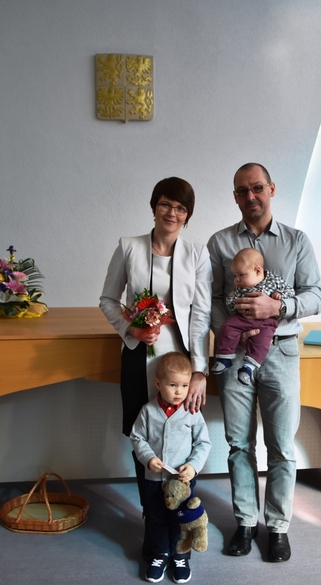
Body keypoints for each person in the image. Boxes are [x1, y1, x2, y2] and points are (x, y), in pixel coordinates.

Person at [207, 163, 321, 562]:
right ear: (235, 197)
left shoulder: (296, 241)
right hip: (236, 354)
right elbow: (212, 299)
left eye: (257, 188)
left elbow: (316, 295)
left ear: (271, 189)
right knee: (238, 444)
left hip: (282, 353)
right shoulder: (220, 243)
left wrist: (279, 307)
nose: (251, 196)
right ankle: (244, 522)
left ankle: (277, 526)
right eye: (242, 191)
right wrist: (233, 333)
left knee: (281, 446)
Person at [100, 176, 212, 559]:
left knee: (182, 438)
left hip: (180, 364)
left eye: (180, 208)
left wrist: (200, 371)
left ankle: (180, 520)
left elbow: (201, 314)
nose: (172, 213)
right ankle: (153, 522)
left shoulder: (197, 254)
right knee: (142, 437)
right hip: (138, 357)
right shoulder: (128, 247)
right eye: (165, 204)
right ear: (153, 207)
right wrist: (130, 329)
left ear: (187, 215)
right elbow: (107, 299)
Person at [131, 352, 211, 584]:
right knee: (156, 518)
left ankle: (180, 555)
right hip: (154, 480)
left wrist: (193, 466)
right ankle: (160, 554)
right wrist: (148, 458)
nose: (179, 391)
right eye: (173, 385)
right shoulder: (148, 411)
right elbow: (137, 438)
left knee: (181, 519)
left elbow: (203, 443)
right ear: (158, 384)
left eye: (184, 386)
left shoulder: (192, 412)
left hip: (182, 482)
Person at [212, 247, 295, 385]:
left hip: (266, 322)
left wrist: (280, 296)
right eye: (235, 276)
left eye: (241, 275)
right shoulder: (240, 288)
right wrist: (232, 300)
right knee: (227, 327)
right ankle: (225, 357)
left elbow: (291, 292)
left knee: (262, 341)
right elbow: (231, 305)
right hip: (241, 318)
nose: (236, 280)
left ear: (257, 271)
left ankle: (249, 367)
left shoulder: (273, 280)